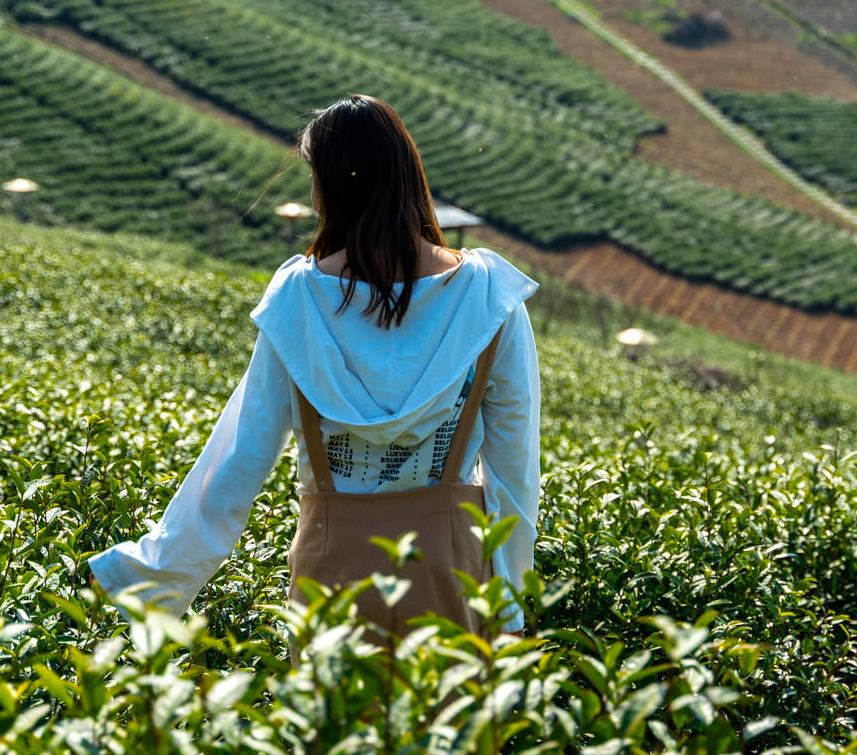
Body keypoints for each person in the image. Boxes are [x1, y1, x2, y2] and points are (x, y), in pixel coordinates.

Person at [89, 94, 542, 636]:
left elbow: (241, 456)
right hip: (453, 566)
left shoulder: (300, 300)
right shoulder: (488, 298)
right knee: (443, 719)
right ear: (406, 173)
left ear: (331, 186)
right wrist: (511, 604)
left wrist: (147, 577)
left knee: (331, 717)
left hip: (331, 563)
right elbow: (515, 469)